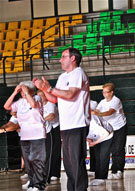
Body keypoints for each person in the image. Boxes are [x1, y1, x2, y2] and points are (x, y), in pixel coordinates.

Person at [33, 47, 90, 191]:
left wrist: (50, 89)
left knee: (77, 162)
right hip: (66, 125)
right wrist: (44, 89)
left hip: (78, 123)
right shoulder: (63, 76)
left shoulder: (78, 73)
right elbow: (54, 99)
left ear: (73, 58)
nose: (60, 59)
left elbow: (71, 94)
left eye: (63, 56)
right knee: (69, 164)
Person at [4, 81, 46, 191]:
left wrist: (27, 92)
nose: (23, 93)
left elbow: (33, 105)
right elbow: (6, 106)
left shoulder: (36, 98)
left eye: (25, 90)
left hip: (37, 134)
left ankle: (39, 185)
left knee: (37, 161)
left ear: (31, 91)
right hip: (25, 135)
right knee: (28, 162)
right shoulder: (20, 102)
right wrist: (14, 92)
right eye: (22, 91)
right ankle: (32, 183)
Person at [94, 83, 127, 180]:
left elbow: (110, 112)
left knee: (118, 149)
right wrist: (93, 112)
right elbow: (96, 110)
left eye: (106, 92)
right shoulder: (102, 102)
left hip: (120, 127)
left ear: (112, 92)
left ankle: (119, 170)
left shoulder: (116, 100)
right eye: (103, 92)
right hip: (110, 128)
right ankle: (113, 171)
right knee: (111, 150)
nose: (104, 94)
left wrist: (99, 114)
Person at [37, 90, 61, 183]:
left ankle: (55, 173)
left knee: (55, 151)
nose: (39, 98)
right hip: (44, 129)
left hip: (54, 128)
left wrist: (41, 120)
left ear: (46, 96)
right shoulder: (38, 106)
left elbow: (51, 116)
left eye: (41, 96)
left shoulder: (51, 105)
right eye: (38, 96)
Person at [87, 100, 113, 186]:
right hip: (96, 135)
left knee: (103, 156)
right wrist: (88, 139)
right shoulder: (81, 121)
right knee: (97, 156)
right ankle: (97, 177)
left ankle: (101, 178)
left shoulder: (93, 122)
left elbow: (106, 133)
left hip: (106, 135)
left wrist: (94, 143)